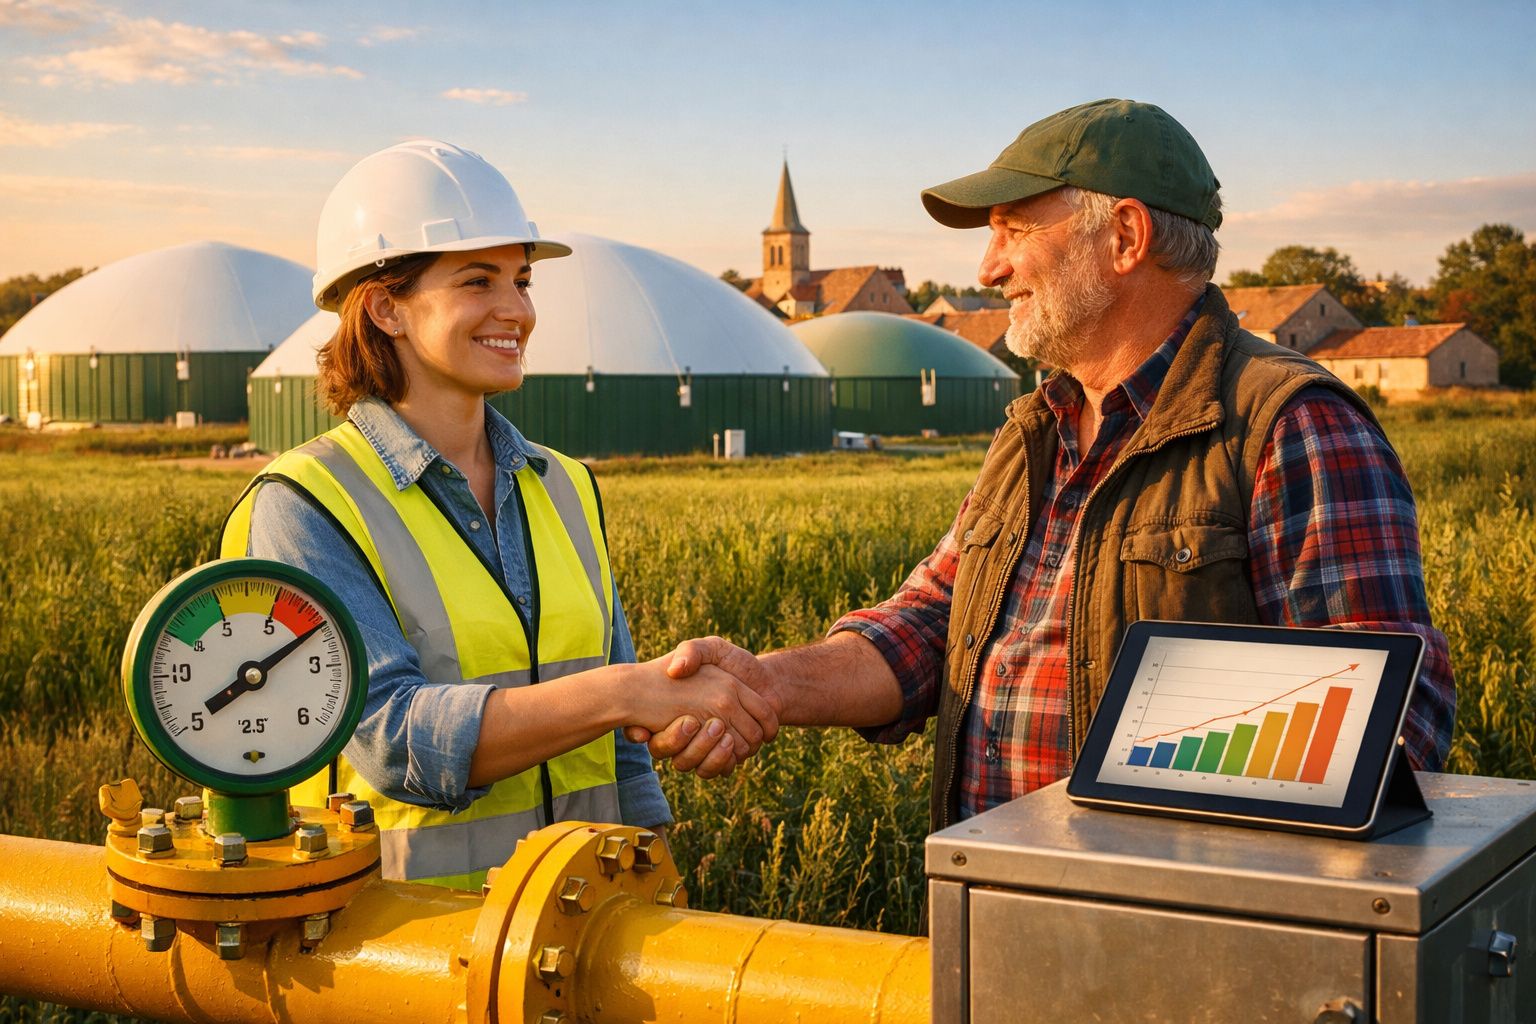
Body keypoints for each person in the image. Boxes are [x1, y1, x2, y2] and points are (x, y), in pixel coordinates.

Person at [639, 99, 1456, 832]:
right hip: (1004, 911)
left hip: (1173, 943)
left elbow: (1394, 724)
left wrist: (1150, 771)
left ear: (1126, 237)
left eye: (1014, 230)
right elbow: (932, 623)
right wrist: (766, 685)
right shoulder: (1035, 431)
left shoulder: (1285, 426)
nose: (988, 267)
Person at [221, 139, 775, 889]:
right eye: (477, 282)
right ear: (385, 307)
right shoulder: (308, 505)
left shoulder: (565, 486)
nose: (516, 310)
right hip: (402, 944)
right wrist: (625, 692)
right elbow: (393, 741)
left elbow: (620, 751)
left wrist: (657, 884)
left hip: (583, 929)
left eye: (522, 280)